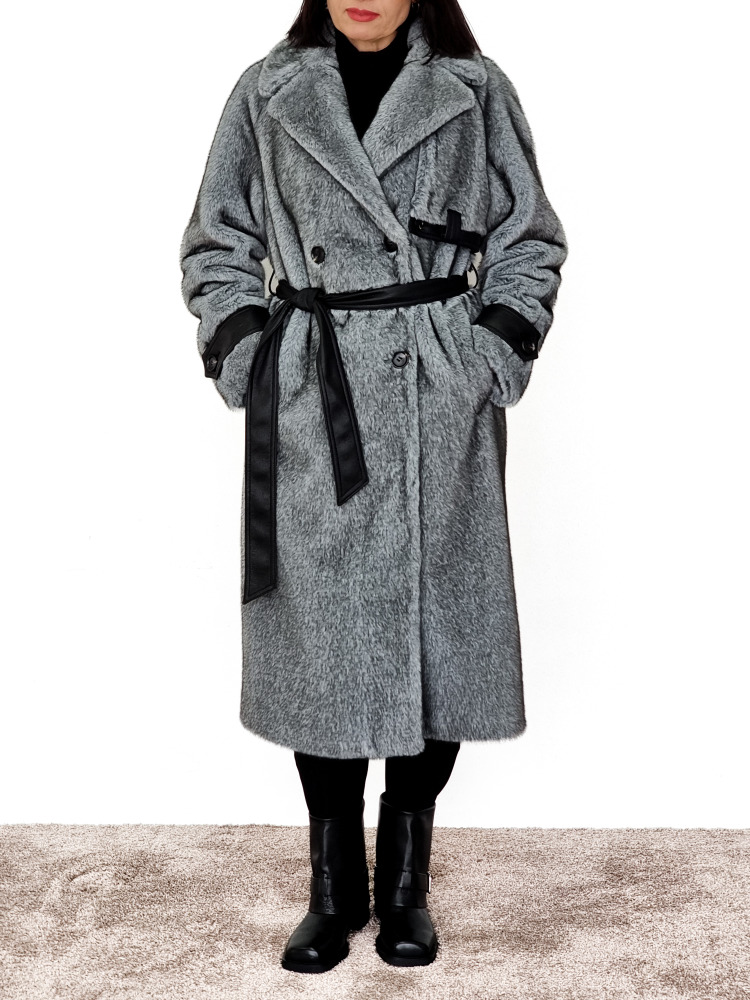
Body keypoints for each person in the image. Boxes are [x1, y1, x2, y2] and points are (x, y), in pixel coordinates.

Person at [179, 0, 568, 974]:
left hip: (437, 396)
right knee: (322, 644)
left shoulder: (476, 89)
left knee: (442, 636)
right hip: (314, 395)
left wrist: (487, 353)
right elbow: (216, 242)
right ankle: (332, 893)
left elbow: (530, 238)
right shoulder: (265, 92)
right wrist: (251, 354)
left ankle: (403, 888)